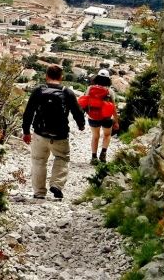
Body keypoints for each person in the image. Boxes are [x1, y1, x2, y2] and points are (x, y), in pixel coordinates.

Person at [22, 64, 85, 199]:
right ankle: (56, 184)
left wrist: (26, 131)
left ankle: (39, 192)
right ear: (61, 77)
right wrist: (81, 125)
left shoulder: (38, 91)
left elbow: (28, 112)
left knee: (39, 161)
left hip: (40, 133)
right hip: (60, 135)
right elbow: (77, 111)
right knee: (62, 158)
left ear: (46, 76)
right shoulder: (67, 92)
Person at [79, 69, 120, 164]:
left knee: (95, 136)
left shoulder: (90, 88)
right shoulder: (110, 91)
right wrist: (116, 121)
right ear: (108, 79)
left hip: (93, 117)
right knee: (107, 135)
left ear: (97, 78)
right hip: (106, 118)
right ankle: (103, 153)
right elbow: (113, 107)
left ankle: (94, 158)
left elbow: (85, 101)